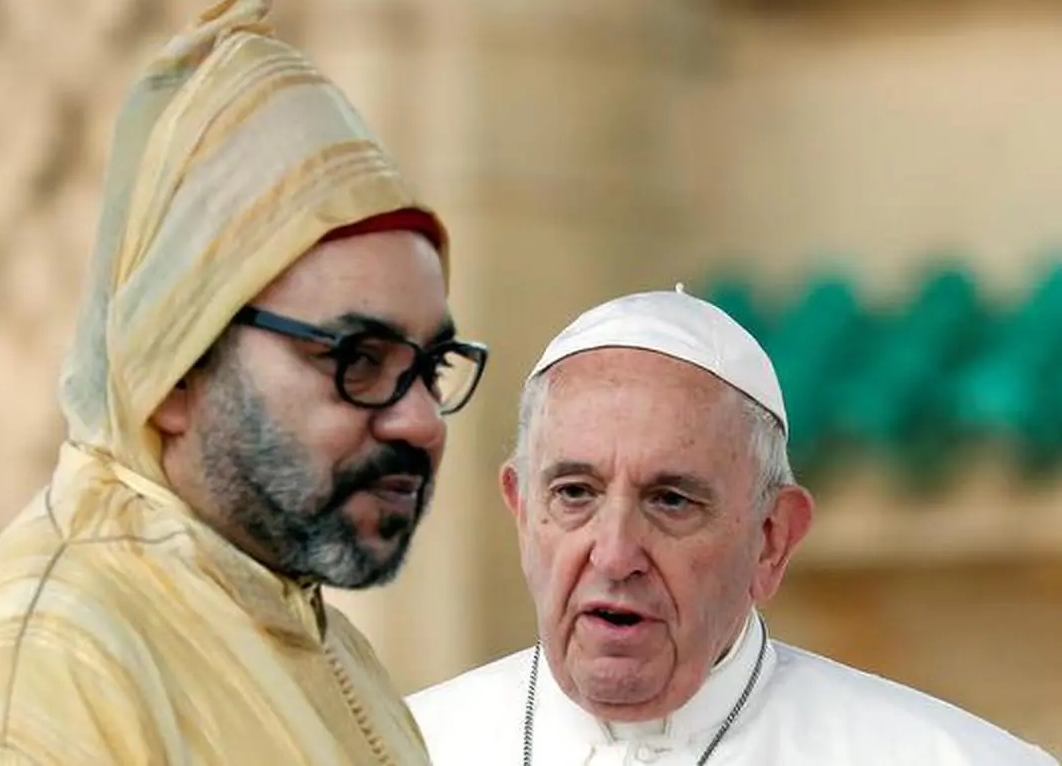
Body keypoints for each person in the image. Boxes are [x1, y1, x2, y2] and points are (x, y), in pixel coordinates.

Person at [0, 0, 488, 766]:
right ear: (177, 372)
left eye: (431, 366)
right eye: (358, 361)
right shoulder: (40, 680)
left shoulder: (296, 631)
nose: (422, 422)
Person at [407, 288, 1056, 765]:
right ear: (522, 511)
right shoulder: (390, 751)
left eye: (671, 501)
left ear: (772, 539)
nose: (614, 554)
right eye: (575, 494)